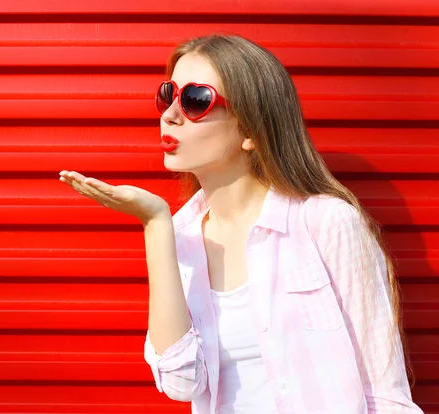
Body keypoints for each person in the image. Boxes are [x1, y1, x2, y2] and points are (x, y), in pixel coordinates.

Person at [59, 34, 422, 413]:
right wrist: (155, 224)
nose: (169, 115)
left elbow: (385, 390)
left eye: (195, 100)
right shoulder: (180, 235)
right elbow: (181, 382)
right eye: (169, 95)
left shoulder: (325, 222)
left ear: (251, 130)